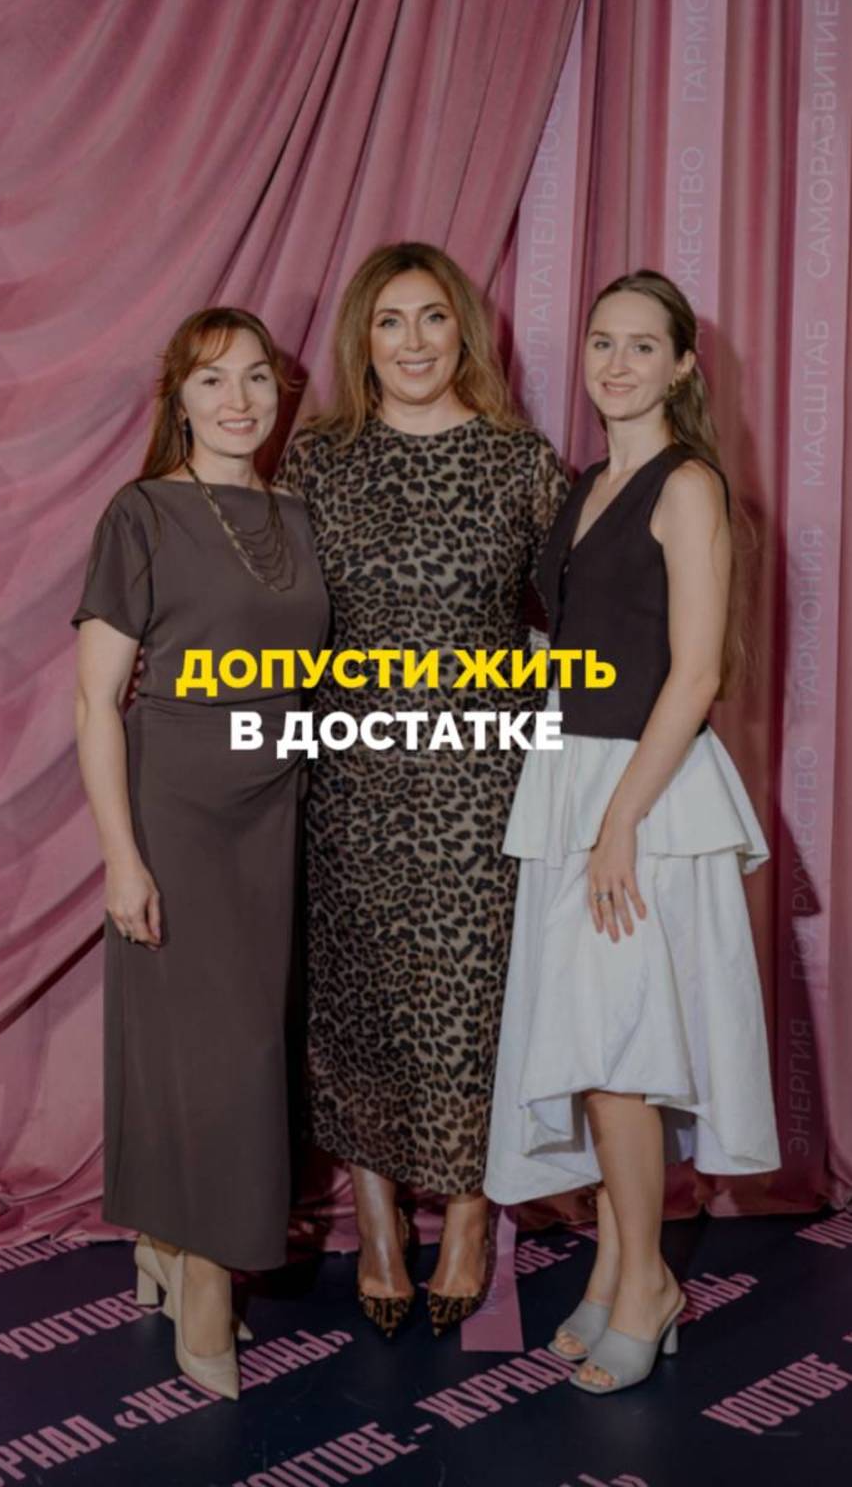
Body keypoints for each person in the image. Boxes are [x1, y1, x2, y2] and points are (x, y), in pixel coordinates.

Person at [485, 269, 780, 1394]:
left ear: (682, 365)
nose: (616, 363)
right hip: (573, 777)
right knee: (600, 1051)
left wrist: (618, 824)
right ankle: (614, 1273)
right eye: (602, 342)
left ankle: (649, 1284)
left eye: (642, 345)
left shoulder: (687, 484)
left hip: (642, 793)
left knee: (618, 1058)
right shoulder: (586, 484)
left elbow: (696, 673)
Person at [276, 241, 568, 1335]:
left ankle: (474, 1218)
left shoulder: (517, 459)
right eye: (390, 320)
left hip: (482, 781)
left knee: (472, 1003)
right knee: (359, 999)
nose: (412, 342)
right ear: (363, 338)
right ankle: (379, 1223)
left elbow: (584, 605)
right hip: (349, 775)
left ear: (465, 334)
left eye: (433, 318)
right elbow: (270, 608)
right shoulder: (320, 460)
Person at [73, 308, 329, 1398]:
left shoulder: (300, 513)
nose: (239, 400)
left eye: (256, 378)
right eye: (213, 380)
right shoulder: (140, 512)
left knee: (251, 1049)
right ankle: (207, 1275)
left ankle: (169, 1239)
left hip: (280, 803)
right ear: (177, 397)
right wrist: (121, 858)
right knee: (203, 1049)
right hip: (176, 803)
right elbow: (95, 701)